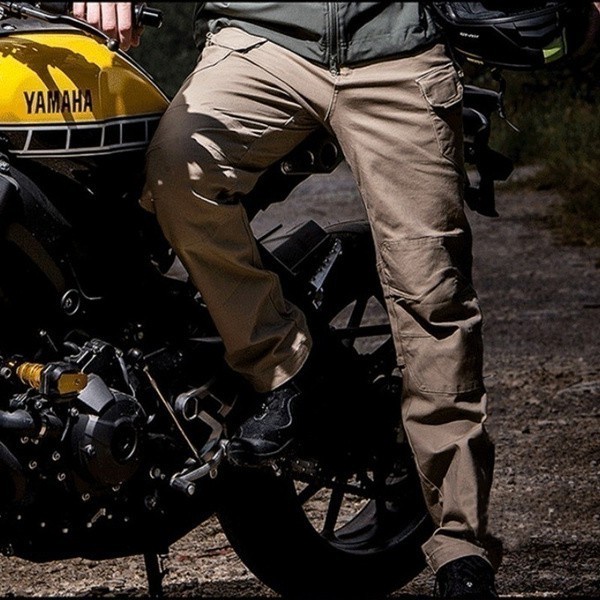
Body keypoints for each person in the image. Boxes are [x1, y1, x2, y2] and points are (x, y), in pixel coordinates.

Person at [75, 2, 500, 597]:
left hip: (395, 50)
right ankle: (285, 366)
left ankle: (461, 544)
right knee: (175, 170)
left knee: (432, 294)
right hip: (263, 40)